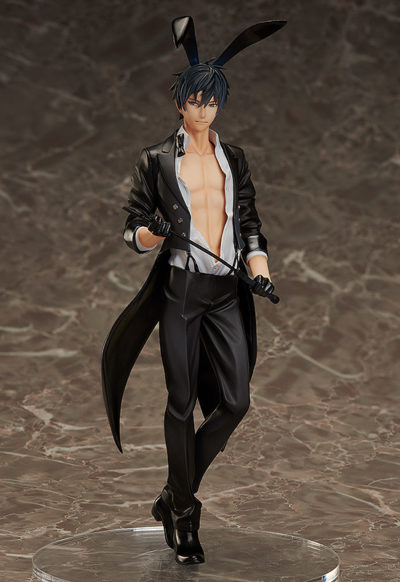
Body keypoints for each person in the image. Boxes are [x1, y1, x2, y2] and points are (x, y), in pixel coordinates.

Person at [101, 16, 286, 565]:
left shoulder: (235, 159)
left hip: (226, 290)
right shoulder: (157, 159)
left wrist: (260, 267)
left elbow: (249, 222)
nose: (203, 111)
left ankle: (172, 492)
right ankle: (184, 512)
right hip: (181, 291)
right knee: (180, 403)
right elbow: (131, 228)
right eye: (195, 101)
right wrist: (154, 232)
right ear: (180, 103)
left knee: (236, 401)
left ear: (220, 104)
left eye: (211, 102)